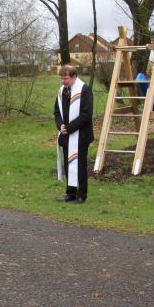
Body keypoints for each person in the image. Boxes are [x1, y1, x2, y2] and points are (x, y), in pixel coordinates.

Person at [54, 65, 94, 204]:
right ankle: (70, 193)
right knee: (68, 164)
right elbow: (57, 112)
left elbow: (86, 115)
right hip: (66, 135)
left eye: (65, 78)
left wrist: (69, 128)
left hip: (81, 135)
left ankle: (82, 195)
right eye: (61, 78)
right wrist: (61, 126)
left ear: (74, 77)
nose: (62, 81)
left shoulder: (84, 90)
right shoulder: (61, 91)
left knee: (80, 165)